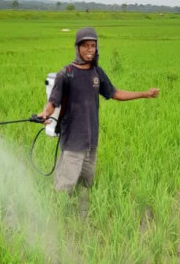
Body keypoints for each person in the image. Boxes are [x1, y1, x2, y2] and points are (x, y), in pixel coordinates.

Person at [37, 27, 159, 195]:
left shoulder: (97, 72)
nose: (90, 49)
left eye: (93, 45)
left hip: (91, 141)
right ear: (77, 48)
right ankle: (59, 216)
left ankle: (82, 215)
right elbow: (53, 102)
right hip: (72, 141)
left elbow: (115, 93)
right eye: (85, 45)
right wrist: (44, 114)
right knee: (63, 189)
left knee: (86, 185)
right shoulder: (66, 73)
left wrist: (144, 94)